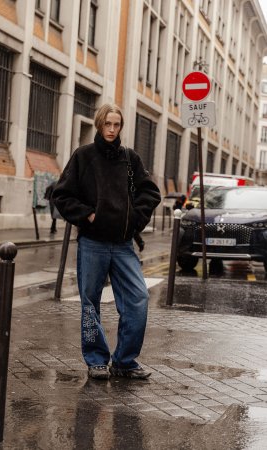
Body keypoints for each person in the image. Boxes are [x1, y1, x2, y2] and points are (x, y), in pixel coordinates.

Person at [53, 103, 161, 380]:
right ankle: (96, 359)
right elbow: (62, 195)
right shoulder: (83, 156)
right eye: (107, 124)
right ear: (100, 125)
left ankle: (125, 361)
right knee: (91, 303)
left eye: (117, 125)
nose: (112, 130)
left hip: (124, 245)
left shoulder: (130, 158)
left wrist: (135, 220)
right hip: (93, 243)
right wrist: (87, 215)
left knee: (138, 299)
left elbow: (150, 193)